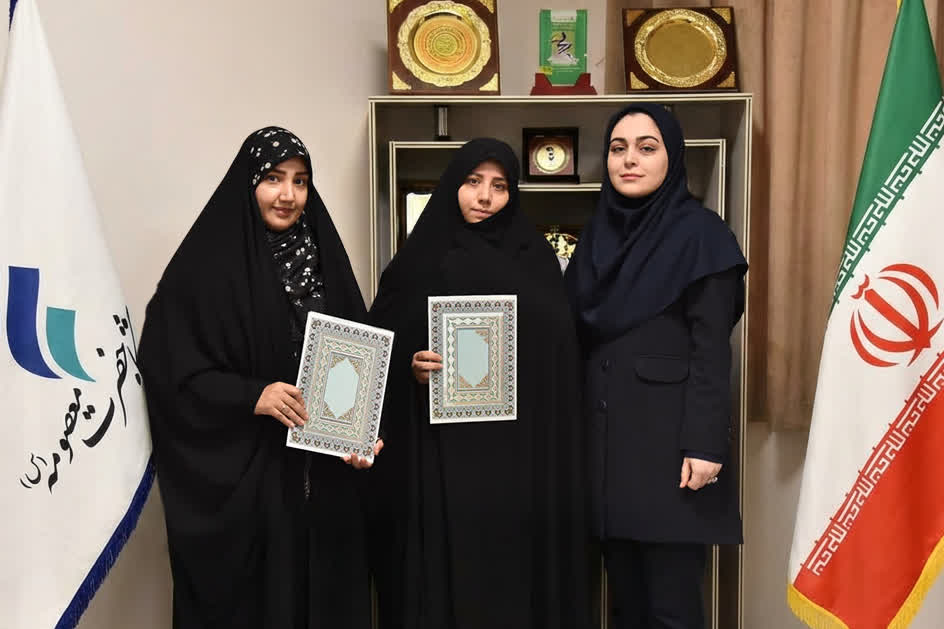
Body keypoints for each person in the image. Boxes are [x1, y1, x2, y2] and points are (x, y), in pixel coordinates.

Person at [138, 126, 378, 629]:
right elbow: (169, 372)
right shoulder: (203, 269)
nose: (288, 194)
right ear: (248, 183)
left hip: (325, 489)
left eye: (300, 181)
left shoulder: (324, 261)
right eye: (273, 178)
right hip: (249, 494)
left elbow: (358, 363)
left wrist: (361, 434)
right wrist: (253, 395)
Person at [368, 138, 591, 629]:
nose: (485, 197)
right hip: (438, 457)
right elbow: (379, 351)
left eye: (499, 186)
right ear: (453, 184)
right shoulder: (417, 261)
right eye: (473, 182)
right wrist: (411, 365)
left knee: (510, 576)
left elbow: (559, 357)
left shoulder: (535, 259)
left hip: (518, 458)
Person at [564, 103, 748, 629]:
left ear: (673, 157)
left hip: (671, 453)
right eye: (618, 149)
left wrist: (706, 445)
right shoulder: (596, 237)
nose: (629, 160)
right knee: (626, 604)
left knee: (672, 607)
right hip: (606, 452)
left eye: (647, 148)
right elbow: (568, 332)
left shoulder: (703, 235)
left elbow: (712, 351)